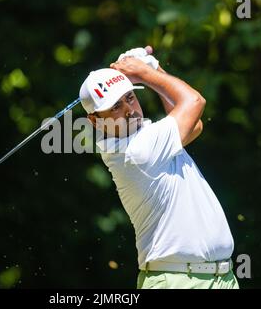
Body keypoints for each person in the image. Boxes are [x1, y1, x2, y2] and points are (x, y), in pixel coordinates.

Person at [78, 46, 239, 289]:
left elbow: (194, 126)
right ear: (95, 120)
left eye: (130, 97)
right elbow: (195, 101)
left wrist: (153, 68)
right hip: (178, 282)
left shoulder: (144, 136)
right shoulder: (136, 151)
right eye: (115, 107)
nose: (129, 110)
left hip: (217, 279)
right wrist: (145, 72)